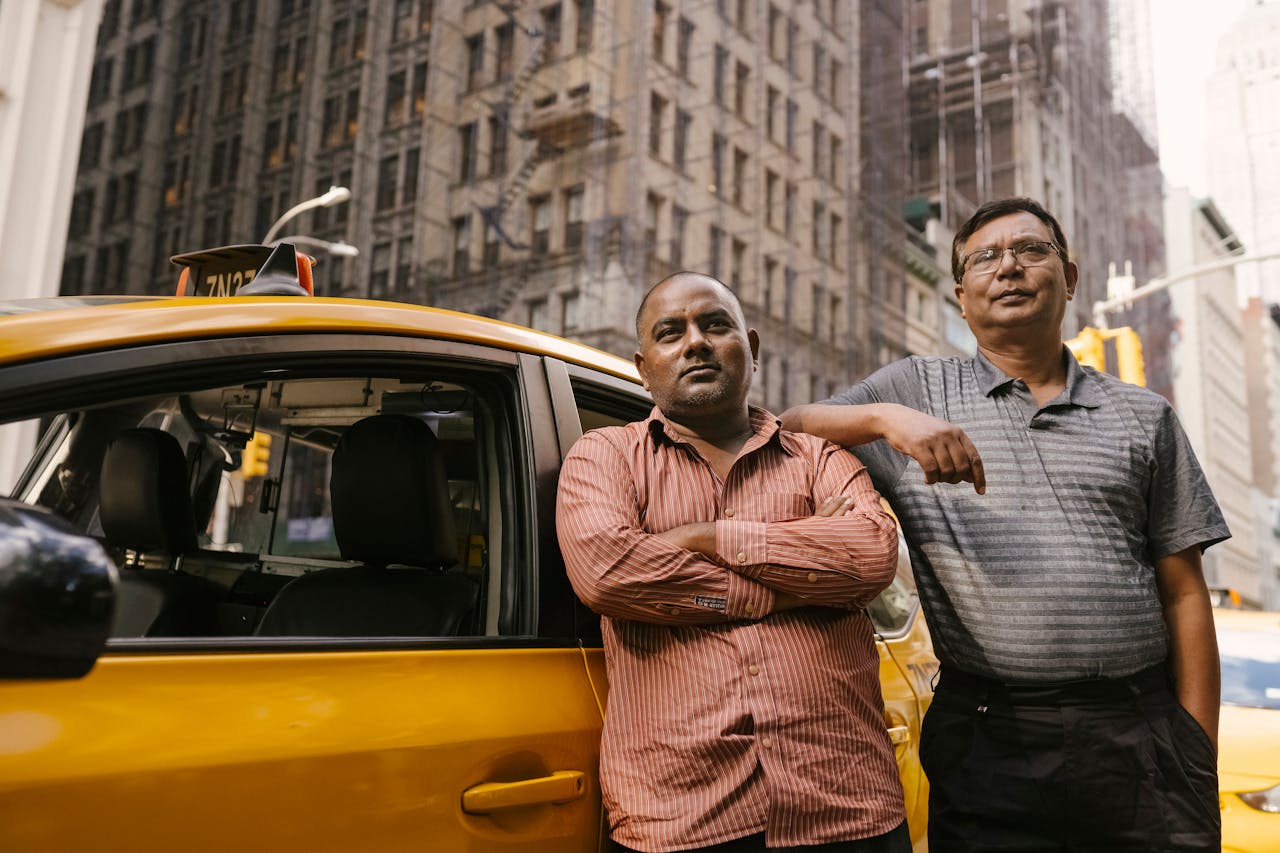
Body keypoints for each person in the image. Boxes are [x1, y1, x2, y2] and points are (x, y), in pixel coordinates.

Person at [782, 197, 1230, 852]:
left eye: (1030, 250)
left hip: (1139, 736)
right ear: (961, 298)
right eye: (985, 258)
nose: (1009, 267)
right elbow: (782, 428)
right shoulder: (914, 391)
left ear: (1069, 279)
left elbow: (1185, 592)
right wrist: (884, 419)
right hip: (987, 737)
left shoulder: (1144, 416)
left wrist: (1196, 752)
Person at [556, 272, 912, 853]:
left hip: (847, 806)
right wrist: (790, 581)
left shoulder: (819, 457)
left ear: (752, 347)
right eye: (670, 333)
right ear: (643, 368)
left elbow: (871, 559)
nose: (695, 342)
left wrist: (706, 536)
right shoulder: (604, 456)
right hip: (684, 818)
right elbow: (609, 574)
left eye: (714, 324)